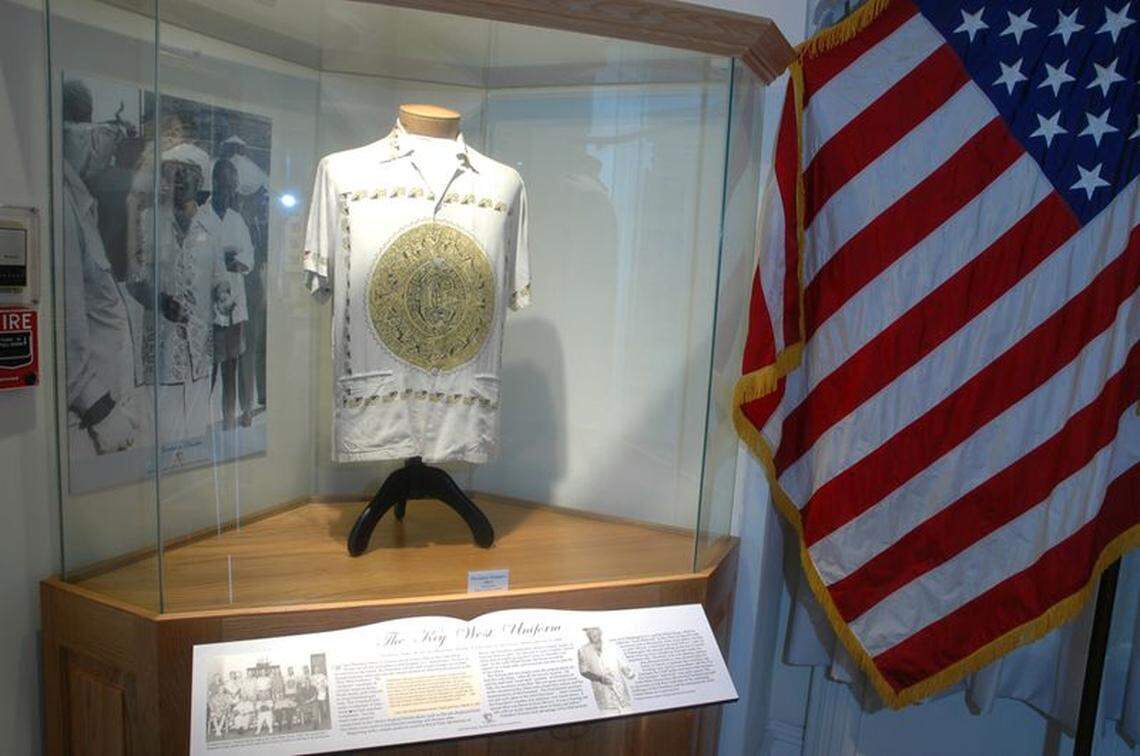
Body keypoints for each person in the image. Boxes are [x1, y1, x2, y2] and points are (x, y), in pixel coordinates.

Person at [127, 142, 224, 454]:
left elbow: (221, 278)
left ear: (200, 180)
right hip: (164, 344)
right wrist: (158, 300)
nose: (178, 181)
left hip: (200, 345)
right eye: (172, 174)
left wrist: (223, 296)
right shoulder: (148, 221)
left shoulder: (211, 226)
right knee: (161, 434)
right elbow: (134, 280)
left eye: (186, 174)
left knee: (199, 430)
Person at [61, 79, 139, 457]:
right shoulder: (62, 208)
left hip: (107, 412)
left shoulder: (80, 204)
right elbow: (67, 327)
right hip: (90, 422)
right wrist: (101, 412)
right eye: (90, 130)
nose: (103, 150)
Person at [202, 158, 254, 429]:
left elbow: (249, 258)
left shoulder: (237, 221)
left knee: (231, 364)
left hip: (234, 307)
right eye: (221, 185)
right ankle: (202, 421)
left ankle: (229, 419)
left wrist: (235, 263)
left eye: (230, 186)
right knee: (208, 366)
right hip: (208, 306)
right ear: (214, 183)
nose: (226, 191)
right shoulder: (202, 216)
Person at [577, 627, 635, 712]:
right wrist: (600, 679)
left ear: (600, 632)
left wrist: (629, 673)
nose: (591, 634)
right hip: (603, 695)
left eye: (594, 630)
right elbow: (583, 671)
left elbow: (622, 664)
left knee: (628, 712)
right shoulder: (582, 650)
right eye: (588, 632)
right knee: (609, 715)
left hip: (620, 689)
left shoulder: (612, 646)